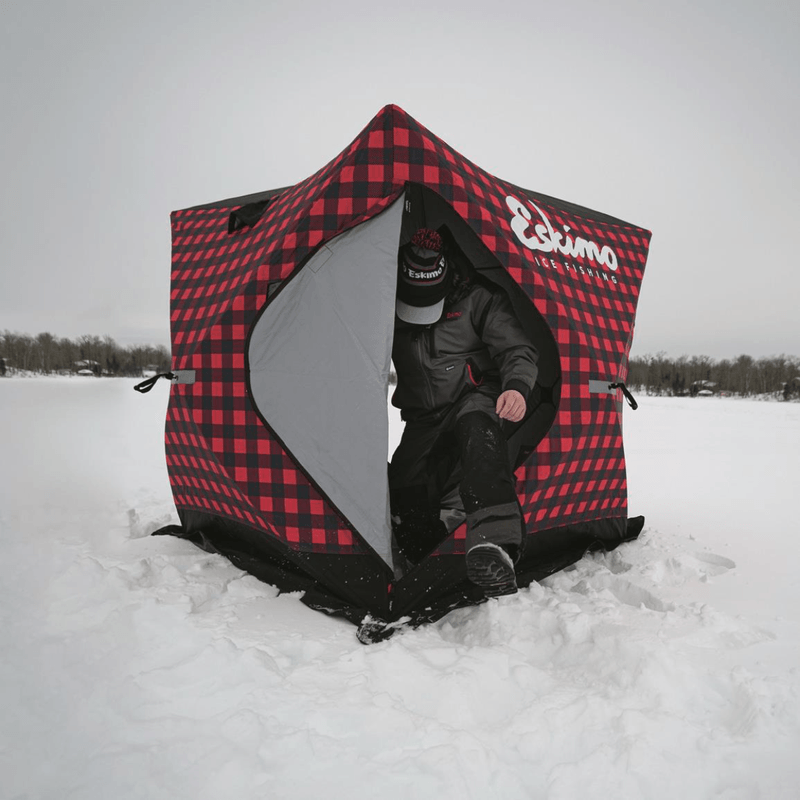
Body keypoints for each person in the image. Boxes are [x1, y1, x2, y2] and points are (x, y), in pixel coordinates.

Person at [389, 227, 539, 596]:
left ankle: (497, 546)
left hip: (475, 395)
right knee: (406, 486)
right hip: (423, 414)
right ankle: (425, 555)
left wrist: (516, 388)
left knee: (479, 436)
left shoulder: (479, 298)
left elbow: (517, 348)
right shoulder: (380, 294)